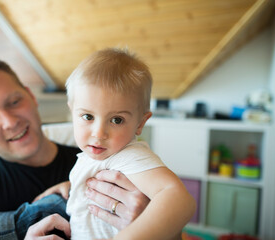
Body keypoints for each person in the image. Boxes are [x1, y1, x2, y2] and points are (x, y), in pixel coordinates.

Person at [0, 56, 150, 240]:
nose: (9, 122)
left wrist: (149, 222)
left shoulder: (101, 162)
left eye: (14, 102)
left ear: (32, 97)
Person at [35, 48, 196, 239]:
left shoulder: (129, 155)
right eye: (88, 116)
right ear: (72, 112)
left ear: (140, 123)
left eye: (117, 120)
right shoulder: (96, 157)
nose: (99, 133)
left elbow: (179, 199)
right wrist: (72, 185)